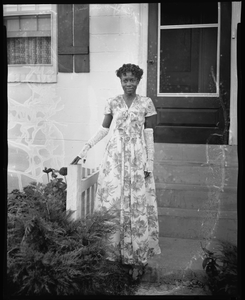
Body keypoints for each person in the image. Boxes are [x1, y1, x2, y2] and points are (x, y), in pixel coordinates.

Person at [71, 63, 161, 279]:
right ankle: (113, 255)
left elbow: (148, 133)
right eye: (125, 79)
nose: (128, 83)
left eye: (132, 79)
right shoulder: (112, 102)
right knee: (113, 201)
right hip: (115, 156)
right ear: (120, 81)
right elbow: (104, 129)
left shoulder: (146, 103)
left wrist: (150, 160)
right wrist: (85, 149)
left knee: (136, 203)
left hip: (137, 156)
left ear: (138, 81)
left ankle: (137, 260)